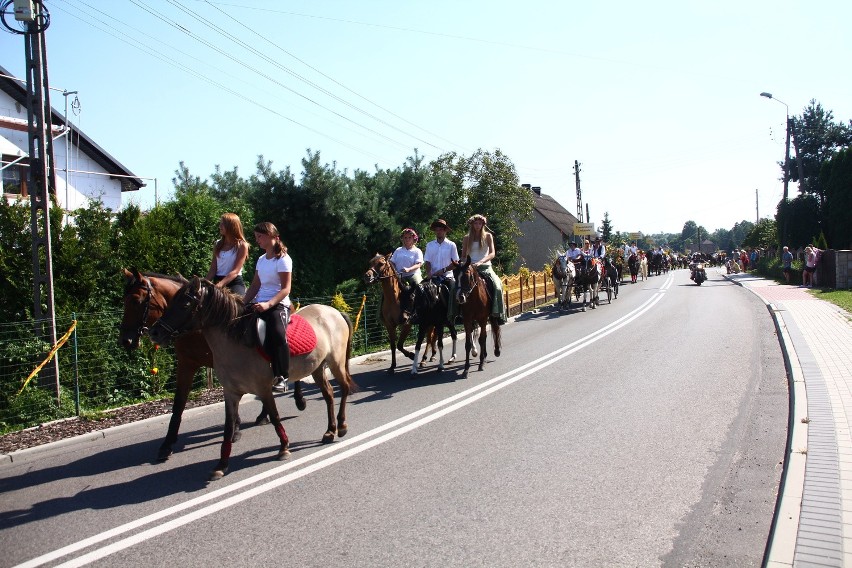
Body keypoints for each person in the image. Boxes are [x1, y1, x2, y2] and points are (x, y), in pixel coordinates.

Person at [243, 222, 292, 393]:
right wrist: (243, 302)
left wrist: (268, 304)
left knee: (278, 334)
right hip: (259, 302)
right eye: (256, 237)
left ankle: (282, 377)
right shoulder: (261, 260)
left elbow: (286, 288)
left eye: (260, 236)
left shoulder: (283, 259)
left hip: (278, 304)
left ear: (272, 236)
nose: (257, 240)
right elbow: (255, 285)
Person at [460, 214, 507, 324]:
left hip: (485, 267)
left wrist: (481, 262)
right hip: (470, 267)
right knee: (457, 286)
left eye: (479, 223)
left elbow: (492, 253)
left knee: (497, 285)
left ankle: (498, 313)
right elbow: (463, 255)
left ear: (483, 224)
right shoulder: (467, 238)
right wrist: (463, 263)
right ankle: (457, 314)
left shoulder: (488, 236)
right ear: (472, 224)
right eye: (475, 223)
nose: (477, 225)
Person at [205, 213, 250, 296]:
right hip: (217, 281)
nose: (220, 226)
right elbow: (213, 269)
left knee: (239, 306)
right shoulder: (217, 244)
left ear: (231, 226)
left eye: (223, 224)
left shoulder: (242, 245)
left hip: (234, 282)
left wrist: (220, 285)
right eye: (220, 223)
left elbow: (235, 271)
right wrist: (204, 283)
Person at [423, 219, 460, 318]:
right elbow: (427, 261)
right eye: (437, 230)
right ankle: (419, 315)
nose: (438, 231)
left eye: (441, 229)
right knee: (420, 290)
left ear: (445, 231)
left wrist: (444, 270)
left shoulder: (451, 245)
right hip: (433, 276)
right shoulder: (429, 245)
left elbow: (455, 262)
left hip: (447, 276)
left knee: (454, 291)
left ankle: (456, 315)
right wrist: (429, 273)